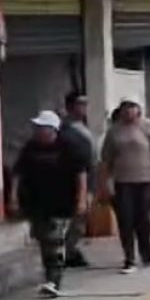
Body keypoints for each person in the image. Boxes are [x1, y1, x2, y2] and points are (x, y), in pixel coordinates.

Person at [12, 111, 87, 298]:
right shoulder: (31, 148)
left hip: (63, 202)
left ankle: (54, 280)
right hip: (37, 203)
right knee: (45, 241)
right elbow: (18, 173)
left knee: (55, 240)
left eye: (42, 128)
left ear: (52, 129)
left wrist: (82, 198)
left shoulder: (68, 147)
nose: (37, 131)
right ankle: (50, 277)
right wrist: (13, 197)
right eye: (36, 128)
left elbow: (81, 174)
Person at [99, 96, 150, 273]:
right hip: (122, 182)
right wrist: (104, 183)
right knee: (125, 220)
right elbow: (106, 159)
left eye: (132, 107)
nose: (129, 111)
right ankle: (129, 258)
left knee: (143, 219)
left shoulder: (148, 126)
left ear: (139, 109)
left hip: (146, 180)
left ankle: (146, 252)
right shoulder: (114, 131)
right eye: (125, 107)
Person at [58, 91, 96, 268]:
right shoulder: (64, 130)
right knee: (73, 222)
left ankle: (70, 251)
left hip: (87, 180)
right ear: (69, 107)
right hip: (71, 183)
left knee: (80, 222)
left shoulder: (83, 128)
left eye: (85, 104)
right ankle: (66, 252)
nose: (83, 108)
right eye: (79, 104)